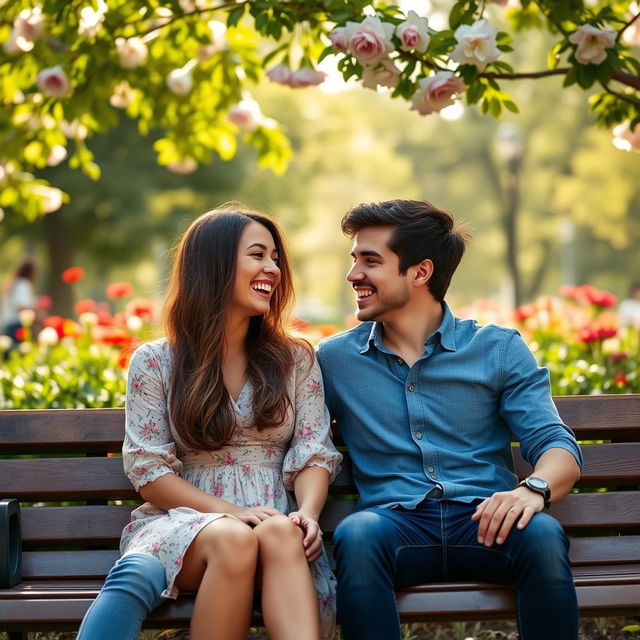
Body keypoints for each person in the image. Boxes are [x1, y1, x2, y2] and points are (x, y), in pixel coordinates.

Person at [315, 199, 583, 640]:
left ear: (420, 273)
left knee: (541, 535)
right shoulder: (335, 360)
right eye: (354, 260)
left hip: (486, 521)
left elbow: (555, 444)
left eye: (371, 261)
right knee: (357, 535)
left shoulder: (497, 349)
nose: (353, 275)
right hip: (393, 525)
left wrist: (533, 491)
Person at [77, 205, 342, 640]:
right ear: (215, 265)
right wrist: (234, 514)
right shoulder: (157, 361)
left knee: (280, 528)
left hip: (274, 525)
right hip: (186, 523)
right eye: (257, 255)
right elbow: (150, 473)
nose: (272, 268)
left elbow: (314, 450)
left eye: (275, 257)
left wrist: (308, 515)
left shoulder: (295, 358)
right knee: (234, 537)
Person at [2, 257, 37, 340]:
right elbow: (21, 306)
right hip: (17, 325)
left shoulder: (13, 283)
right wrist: (36, 309)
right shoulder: (22, 284)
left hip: (7, 323)